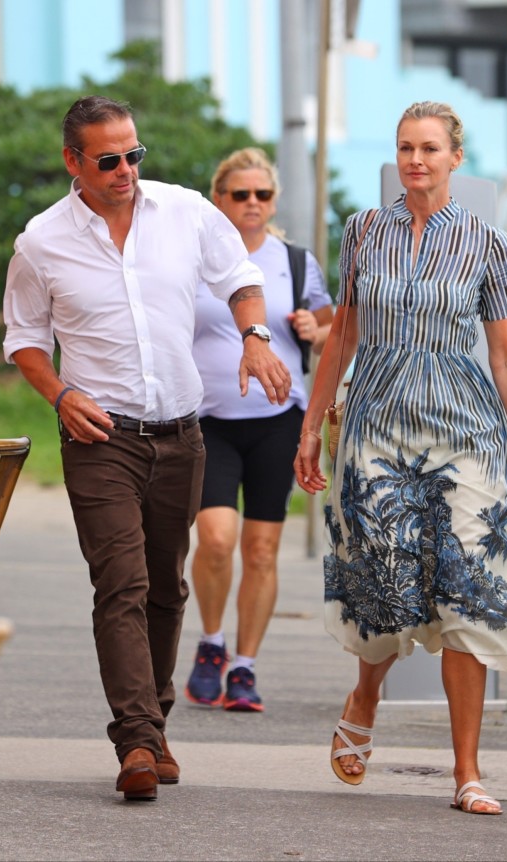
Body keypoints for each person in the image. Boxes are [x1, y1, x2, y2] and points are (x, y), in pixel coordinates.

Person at [2, 96, 291, 802]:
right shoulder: (41, 242)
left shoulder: (187, 212)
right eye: (110, 159)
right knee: (121, 584)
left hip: (181, 435)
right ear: (74, 162)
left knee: (167, 586)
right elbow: (24, 340)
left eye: (135, 154)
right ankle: (134, 737)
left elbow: (239, 280)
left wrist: (255, 337)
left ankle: (153, 723)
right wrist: (62, 395)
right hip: (100, 439)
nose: (127, 169)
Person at [294, 101, 507, 815]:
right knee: (385, 586)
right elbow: (342, 338)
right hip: (376, 425)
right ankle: (365, 694)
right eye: (406, 147)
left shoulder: (487, 243)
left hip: (464, 430)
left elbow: (505, 358)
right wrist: (312, 427)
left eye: (430, 148)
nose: (416, 159)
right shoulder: (364, 232)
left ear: (454, 158)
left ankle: (466, 772)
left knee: (466, 590)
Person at [184, 148, 333, 712]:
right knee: (217, 539)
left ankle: (244, 667)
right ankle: (211, 641)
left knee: (263, 550)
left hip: (278, 420)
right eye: (239, 194)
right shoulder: (196, 259)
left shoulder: (293, 261)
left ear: (273, 202)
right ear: (219, 198)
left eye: (262, 195)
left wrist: (311, 328)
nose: (251, 204)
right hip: (209, 421)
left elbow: (330, 321)